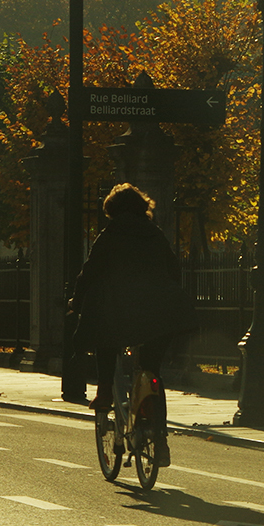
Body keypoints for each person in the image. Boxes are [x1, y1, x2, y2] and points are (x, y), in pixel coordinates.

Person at [68, 183, 195, 466]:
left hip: (121, 311)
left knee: (105, 336)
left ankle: (103, 393)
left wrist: (76, 301)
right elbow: (174, 270)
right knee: (152, 372)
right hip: (159, 314)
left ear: (111, 211)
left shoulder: (110, 234)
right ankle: (159, 439)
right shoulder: (156, 235)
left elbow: (89, 272)